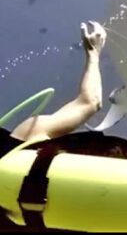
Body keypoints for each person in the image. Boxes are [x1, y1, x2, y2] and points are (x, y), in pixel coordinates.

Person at [0, 20, 107, 158]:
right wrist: (93, 54)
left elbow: (90, 103)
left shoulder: (22, 137)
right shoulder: (22, 137)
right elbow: (90, 103)